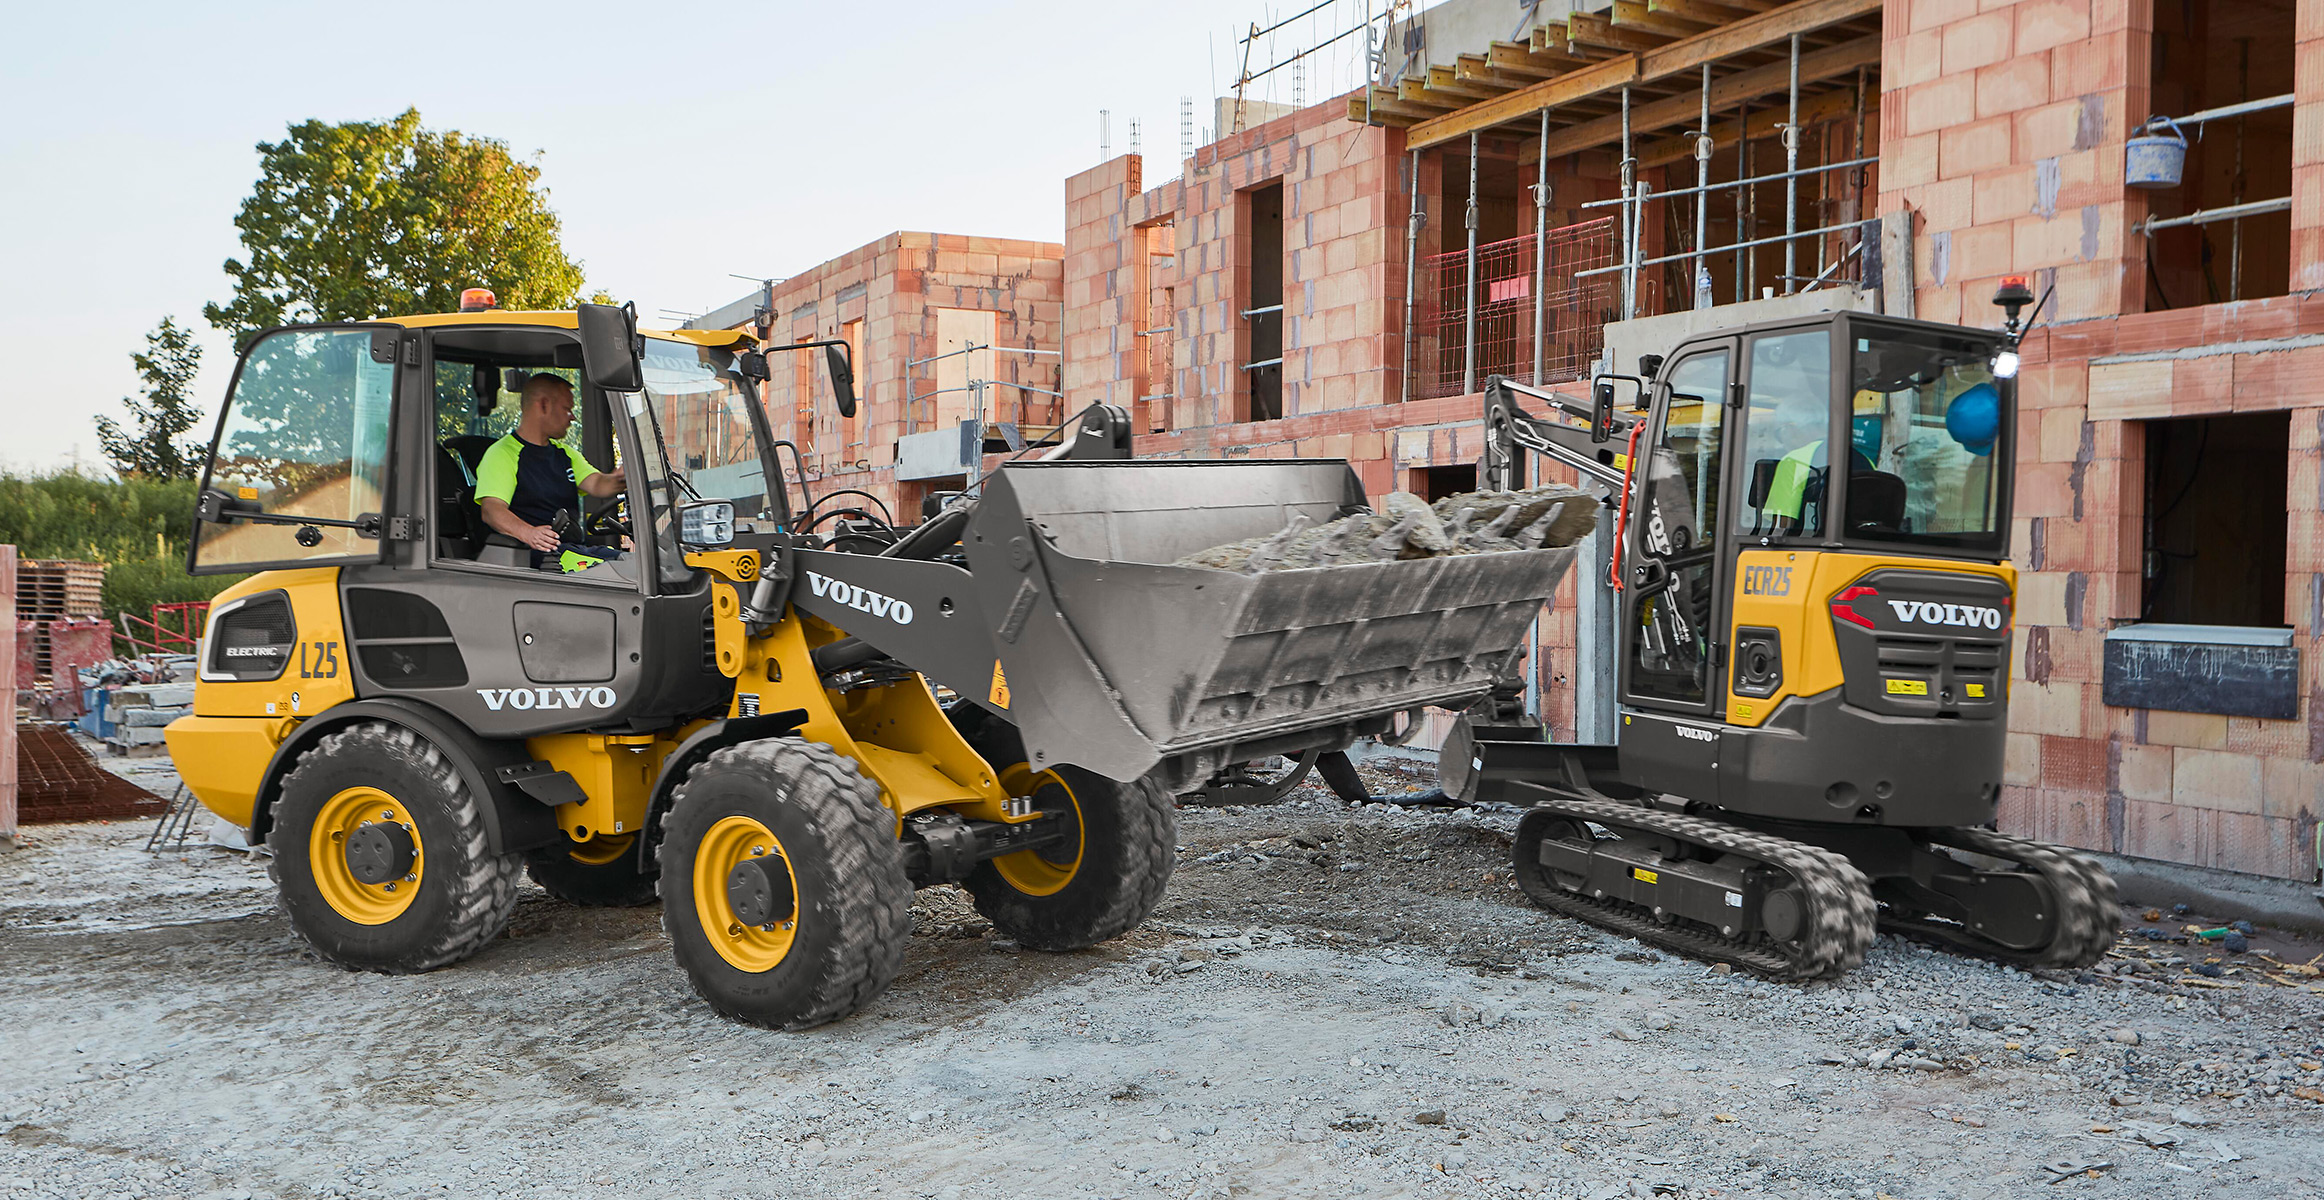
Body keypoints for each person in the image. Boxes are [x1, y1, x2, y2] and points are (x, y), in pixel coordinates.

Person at [474, 374, 627, 572]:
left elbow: (598, 484)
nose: (572, 417)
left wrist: (621, 477)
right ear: (544, 405)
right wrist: (530, 534)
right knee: (619, 571)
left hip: (568, 551)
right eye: (567, 409)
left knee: (630, 562)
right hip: (533, 557)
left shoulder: (565, 454)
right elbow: (491, 510)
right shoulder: (502, 454)